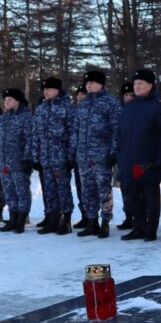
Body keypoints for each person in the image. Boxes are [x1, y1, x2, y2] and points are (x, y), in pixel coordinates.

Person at [116, 69, 161, 241]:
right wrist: (120, 157)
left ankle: (151, 229)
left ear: (150, 85)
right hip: (129, 160)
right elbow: (121, 135)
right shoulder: (128, 107)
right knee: (133, 197)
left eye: (141, 83)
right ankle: (138, 227)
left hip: (149, 160)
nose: (137, 86)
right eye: (135, 83)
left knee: (150, 196)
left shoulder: (157, 107)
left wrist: (160, 159)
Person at [70, 70, 120, 239]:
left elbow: (116, 129)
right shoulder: (82, 104)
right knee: (87, 190)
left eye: (92, 82)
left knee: (103, 190)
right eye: (87, 83)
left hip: (101, 155)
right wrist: (74, 151)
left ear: (101, 84)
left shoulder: (110, 103)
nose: (89, 85)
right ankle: (92, 222)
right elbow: (76, 130)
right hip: (83, 156)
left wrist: (113, 151)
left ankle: (105, 222)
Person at [32, 77, 76, 235]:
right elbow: (36, 134)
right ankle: (53, 219)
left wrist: (71, 156)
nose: (46, 91)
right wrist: (35, 157)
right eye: (44, 89)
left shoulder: (67, 108)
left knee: (63, 189)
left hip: (61, 156)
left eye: (49, 89)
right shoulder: (41, 109)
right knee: (49, 189)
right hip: (45, 157)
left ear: (57, 90)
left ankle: (66, 220)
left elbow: (72, 133)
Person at [0, 88, 34, 233]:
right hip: (3, 163)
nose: (6, 102)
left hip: (19, 162)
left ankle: (21, 219)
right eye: (5, 99)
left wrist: (28, 159)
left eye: (10, 99)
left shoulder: (26, 117)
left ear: (17, 101)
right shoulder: (2, 119)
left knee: (22, 192)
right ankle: (13, 218)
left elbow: (30, 139)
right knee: (9, 192)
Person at [116, 81, 136, 231]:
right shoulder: (119, 112)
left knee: (139, 190)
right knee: (125, 188)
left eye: (131, 95)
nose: (128, 97)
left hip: (138, 156)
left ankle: (141, 217)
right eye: (126, 95)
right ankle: (129, 216)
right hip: (122, 156)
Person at [72, 83, 88, 228]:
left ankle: (96, 219)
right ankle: (85, 216)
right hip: (78, 156)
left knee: (93, 189)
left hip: (94, 156)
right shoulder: (74, 111)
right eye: (78, 94)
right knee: (80, 187)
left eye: (83, 94)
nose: (80, 97)